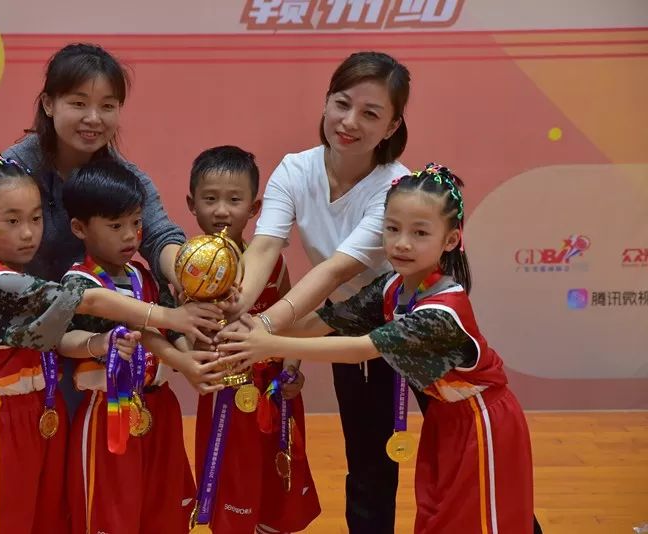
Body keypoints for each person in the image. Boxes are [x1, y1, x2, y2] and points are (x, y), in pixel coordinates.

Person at [217, 164, 535, 534]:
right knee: (437, 518)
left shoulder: (442, 312)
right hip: (444, 422)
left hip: (482, 423)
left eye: (419, 233)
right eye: (393, 228)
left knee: (480, 523)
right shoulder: (392, 285)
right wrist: (253, 330)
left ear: (450, 240)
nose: (401, 243)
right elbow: (326, 322)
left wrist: (268, 343)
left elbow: (362, 349)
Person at [0, 150, 222, 534]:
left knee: (52, 521)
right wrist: (166, 317)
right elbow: (87, 300)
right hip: (6, 421)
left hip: (46, 414)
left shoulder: (139, 275)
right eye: (12, 221)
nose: (28, 232)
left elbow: (68, 337)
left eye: (35, 219)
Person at [217, 51, 412, 532]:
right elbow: (263, 247)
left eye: (371, 114)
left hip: (414, 319)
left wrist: (264, 326)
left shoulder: (396, 187)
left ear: (391, 127)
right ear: (326, 102)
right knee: (368, 464)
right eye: (342, 104)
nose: (350, 122)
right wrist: (237, 302)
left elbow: (334, 272)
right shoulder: (295, 169)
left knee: (462, 452)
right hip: (349, 322)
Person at [0, 43, 189, 417]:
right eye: (78, 103)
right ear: (49, 103)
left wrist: (189, 272)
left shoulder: (128, 177)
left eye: (107, 106)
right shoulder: (12, 172)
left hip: (100, 345)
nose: (93, 118)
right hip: (27, 344)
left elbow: (161, 237)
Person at [60, 159, 226, 533]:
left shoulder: (142, 275)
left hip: (159, 407)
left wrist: (191, 360)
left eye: (136, 223)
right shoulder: (76, 282)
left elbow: (167, 326)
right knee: (110, 512)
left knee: (162, 509)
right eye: (115, 226)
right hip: (108, 412)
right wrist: (96, 343)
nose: (130, 236)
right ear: (79, 228)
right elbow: (62, 341)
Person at [186, 146, 321, 533]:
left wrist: (292, 371)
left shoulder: (272, 263)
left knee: (279, 481)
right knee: (232, 483)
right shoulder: (190, 268)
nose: (222, 211)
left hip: (274, 393)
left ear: (256, 206)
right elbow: (186, 337)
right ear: (191, 203)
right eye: (210, 199)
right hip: (224, 397)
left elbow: (291, 322)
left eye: (234, 200)